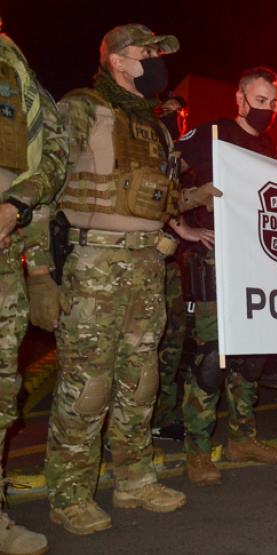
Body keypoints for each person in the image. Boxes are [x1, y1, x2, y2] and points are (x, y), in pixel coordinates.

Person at [45, 23, 214, 536]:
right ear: (119, 60)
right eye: (147, 53)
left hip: (147, 265)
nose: (155, 62)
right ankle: (69, 495)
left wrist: (192, 203)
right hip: (95, 265)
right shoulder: (81, 107)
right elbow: (44, 177)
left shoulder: (155, 126)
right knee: (87, 384)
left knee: (140, 382)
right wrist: (37, 271)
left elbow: (148, 199)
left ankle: (134, 480)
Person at [175, 67, 277, 485]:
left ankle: (243, 438)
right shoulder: (212, 133)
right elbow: (161, 172)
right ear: (240, 99)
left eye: (273, 103)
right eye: (260, 101)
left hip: (255, 264)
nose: (267, 110)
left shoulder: (270, 145)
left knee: (250, 359)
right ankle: (198, 452)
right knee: (211, 358)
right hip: (214, 262)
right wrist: (179, 224)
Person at [0, 18, 67, 553]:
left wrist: (40, 270)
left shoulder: (15, 65)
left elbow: (47, 160)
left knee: (2, 394)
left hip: (5, 251)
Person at [151, 92, 208, 442]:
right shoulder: (152, 151)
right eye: (169, 113)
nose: (175, 119)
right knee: (144, 347)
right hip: (146, 259)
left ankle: (161, 416)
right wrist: (182, 227)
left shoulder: (181, 160)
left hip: (174, 266)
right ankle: (128, 426)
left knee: (171, 345)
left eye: (180, 114)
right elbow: (158, 200)